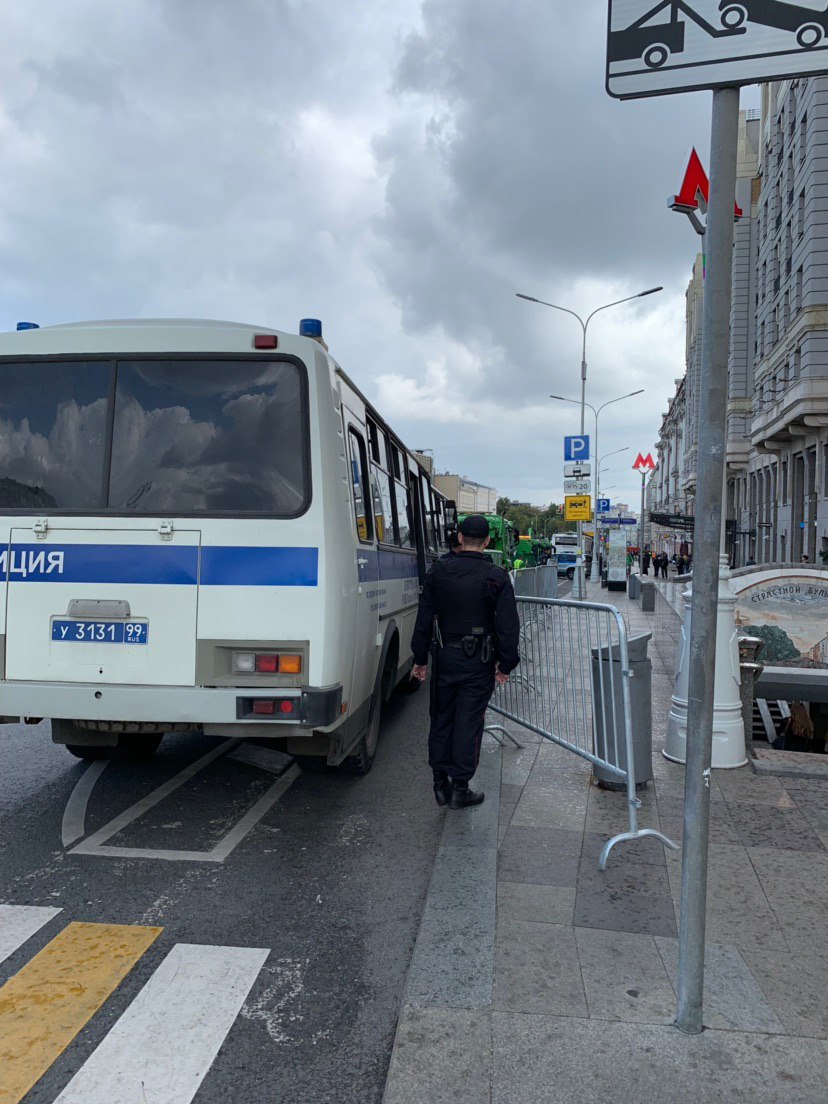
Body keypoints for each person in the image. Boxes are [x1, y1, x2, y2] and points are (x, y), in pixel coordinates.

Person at [410, 514, 520, 809]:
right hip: (479, 661)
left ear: (460, 538)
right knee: (469, 722)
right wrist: (506, 664)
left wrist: (420, 658)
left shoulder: (438, 572)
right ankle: (460, 788)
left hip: (444, 656)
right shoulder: (496, 577)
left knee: (441, 717)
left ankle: (439, 784)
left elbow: (424, 617)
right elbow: (509, 625)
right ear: (487, 541)